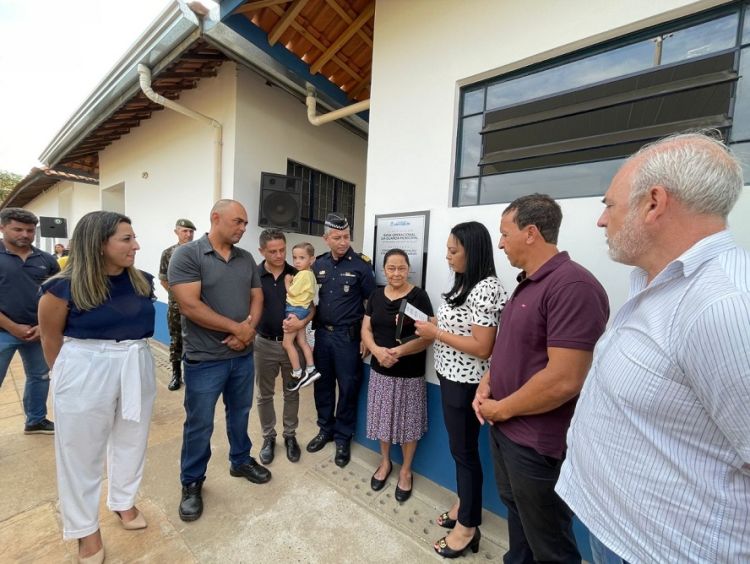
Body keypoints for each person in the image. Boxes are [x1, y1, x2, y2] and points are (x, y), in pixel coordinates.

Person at [556, 133, 750, 563]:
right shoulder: (658, 285)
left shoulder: (725, 306)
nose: (601, 221)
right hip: (617, 535)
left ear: (654, 203)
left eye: (609, 204)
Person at [474, 194, 609, 564]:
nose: (500, 243)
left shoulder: (572, 287)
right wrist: (488, 382)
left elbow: (565, 379)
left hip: (537, 444)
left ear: (530, 232)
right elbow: (513, 350)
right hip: (506, 430)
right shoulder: (527, 284)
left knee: (549, 542)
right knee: (519, 520)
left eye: (505, 233)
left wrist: (501, 409)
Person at [38, 211, 157, 564]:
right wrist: (68, 378)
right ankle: (84, 530)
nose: (135, 245)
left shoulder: (143, 282)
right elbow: (50, 338)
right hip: (86, 366)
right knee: (80, 454)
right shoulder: (60, 287)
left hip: (136, 361)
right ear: (99, 243)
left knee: (132, 440)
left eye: (133, 238)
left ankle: (123, 501)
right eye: (126, 239)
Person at [168, 199, 269, 523]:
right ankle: (192, 482)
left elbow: (257, 296)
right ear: (215, 218)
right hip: (205, 359)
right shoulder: (188, 255)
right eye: (237, 222)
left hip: (241, 356)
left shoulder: (246, 258)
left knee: (240, 413)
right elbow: (189, 306)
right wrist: (236, 328)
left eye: (245, 223)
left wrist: (248, 330)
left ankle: (240, 461)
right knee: (199, 424)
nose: (242, 228)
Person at [414, 221, 506, 558]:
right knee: (459, 450)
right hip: (451, 378)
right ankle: (462, 504)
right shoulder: (466, 284)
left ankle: (468, 525)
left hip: (468, 383)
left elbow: (483, 346)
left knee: (465, 453)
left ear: (473, 250)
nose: (448, 257)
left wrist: (434, 334)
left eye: (454, 251)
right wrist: (433, 324)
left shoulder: (487, 287)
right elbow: (459, 326)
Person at [361, 248, 433, 503]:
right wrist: (377, 351)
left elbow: (428, 335)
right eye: (391, 268)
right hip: (380, 371)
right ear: (384, 269)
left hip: (409, 374)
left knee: (408, 425)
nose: (396, 273)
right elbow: (366, 328)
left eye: (401, 268)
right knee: (383, 421)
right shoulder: (376, 295)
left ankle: (405, 470)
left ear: (408, 269)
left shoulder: (419, 297)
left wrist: (397, 352)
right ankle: (385, 463)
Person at [306, 213, 376, 468]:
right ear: (326, 239)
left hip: (348, 337)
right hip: (322, 335)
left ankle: (343, 437)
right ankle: (325, 429)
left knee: (348, 388)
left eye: (346, 236)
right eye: (337, 237)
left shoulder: (361, 266)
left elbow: (372, 304)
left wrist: (367, 337)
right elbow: (309, 298)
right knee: (322, 386)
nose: (343, 241)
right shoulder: (318, 265)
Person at [254, 229, 314, 465]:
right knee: (264, 395)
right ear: (262, 251)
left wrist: (303, 321)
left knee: (292, 392)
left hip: (291, 346)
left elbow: (311, 307)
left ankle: (290, 436)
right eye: (273, 251)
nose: (280, 255)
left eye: (282, 249)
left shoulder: (298, 273)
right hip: (264, 344)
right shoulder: (254, 275)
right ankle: (268, 437)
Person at [0, 207, 59, 435]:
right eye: (18, 229)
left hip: (38, 332)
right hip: (3, 332)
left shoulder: (46, 259)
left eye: (30, 230)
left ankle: (35, 420)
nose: (24, 235)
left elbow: (56, 297)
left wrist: (43, 327)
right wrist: (12, 327)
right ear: (3, 227)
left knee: (39, 377)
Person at [159, 218, 196, 391]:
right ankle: (176, 375)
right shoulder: (168, 253)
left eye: (191, 231)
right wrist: (179, 297)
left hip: (196, 306)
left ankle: (192, 374)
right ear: (177, 232)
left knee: (195, 339)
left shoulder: (199, 252)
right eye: (184, 231)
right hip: (176, 305)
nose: (188, 235)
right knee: (176, 339)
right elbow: (163, 280)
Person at [283, 242, 321, 391]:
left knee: (287, 343)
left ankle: (297, 371)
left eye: (302, 258)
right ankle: (311, 368)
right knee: (302, 341)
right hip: (303, 309)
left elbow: (292, 292)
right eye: (295, 258)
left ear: (311, 259)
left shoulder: (303, 274)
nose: (297, 261)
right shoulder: (310, 274)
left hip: (295, 310)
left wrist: (287, 282)